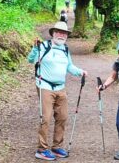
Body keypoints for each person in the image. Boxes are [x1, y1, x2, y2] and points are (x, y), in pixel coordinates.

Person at [28, 21, 88, 161]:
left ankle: (56, 147)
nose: (61, 35)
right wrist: (35, 49)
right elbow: (31, 60)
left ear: (66, 36)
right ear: (53, 33)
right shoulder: (43, 46)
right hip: (45, 86)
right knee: (46, 118)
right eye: (59, 32)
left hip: (61, 88)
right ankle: (42, 150)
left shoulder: (65, 50)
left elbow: (70, 67)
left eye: (64, 33)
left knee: (62, 117)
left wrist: (81, 72)